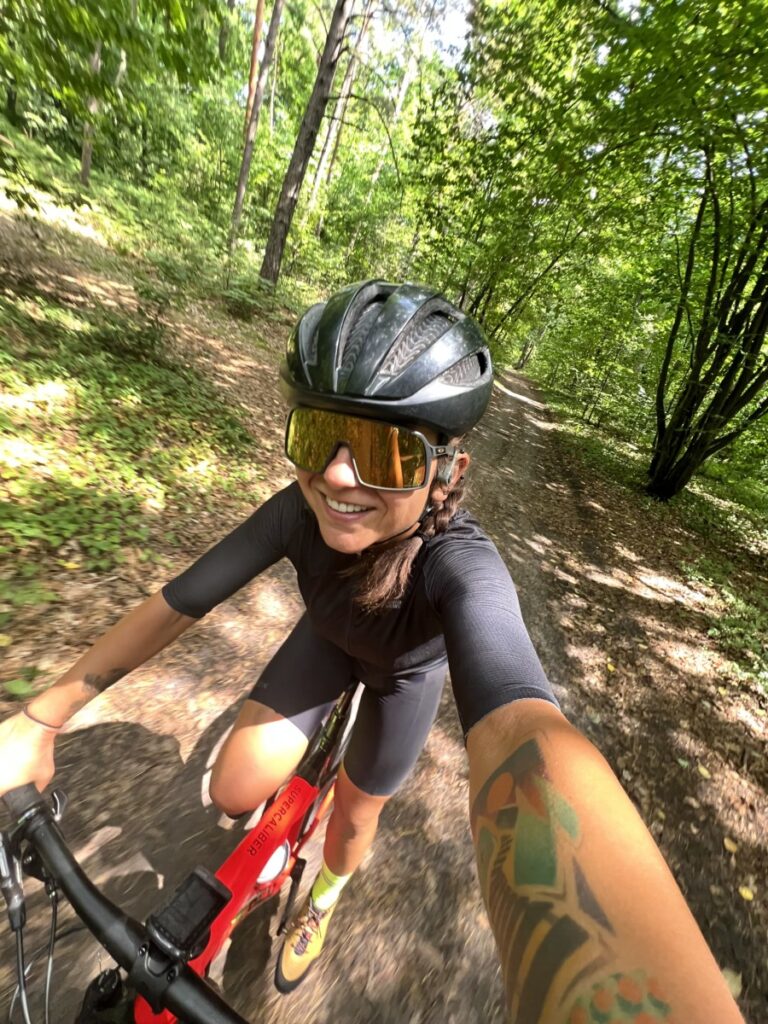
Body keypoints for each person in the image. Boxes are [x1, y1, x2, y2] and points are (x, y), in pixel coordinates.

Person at [0, 281, 744, 1021]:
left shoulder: (461, 564)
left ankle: (323, 898)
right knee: (231, 792)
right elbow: (180, 602)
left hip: (402, 682)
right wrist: (40, 719)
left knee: (354, 821)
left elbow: (527, 727)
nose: (335, 475)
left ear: (448, 471)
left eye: (386, 452)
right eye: (317, 437)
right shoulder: (295, 513)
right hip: (325, 642)